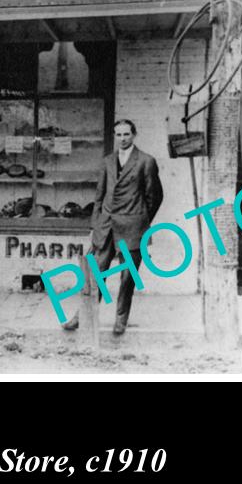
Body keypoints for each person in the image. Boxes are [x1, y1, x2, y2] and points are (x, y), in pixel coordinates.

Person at [62, 119, 164, 336]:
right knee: (95, 274)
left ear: (134, 135)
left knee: (128, 277)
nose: (122, 138)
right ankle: (83, 316)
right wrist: (95, 225)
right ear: (115, 136)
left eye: (126, 134)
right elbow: (99, 196)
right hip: (106, 228)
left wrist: (141, 219)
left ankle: (121, 320)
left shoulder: (146, 161)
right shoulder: (107, 161)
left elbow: (154, 196)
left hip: (133, 228)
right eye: (118, 134)